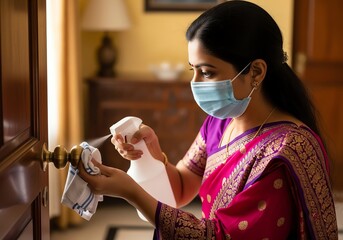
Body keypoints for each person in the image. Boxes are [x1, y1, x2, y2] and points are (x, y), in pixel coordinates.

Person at [79, 1, 338, 239]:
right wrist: (150, 154)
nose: (195, 83)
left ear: (256, 72)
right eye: (193, 70)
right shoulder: (220, 123)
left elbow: (220, 236)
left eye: (207, 72)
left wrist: (130, 192)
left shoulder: (284, 151)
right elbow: (180, 188)